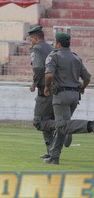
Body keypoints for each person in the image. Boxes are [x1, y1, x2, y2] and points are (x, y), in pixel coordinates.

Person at [43, 33, 92, 165]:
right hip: (75, 95)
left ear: (58, 43)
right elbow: (87, 77)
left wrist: (47, 87)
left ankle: (90, 125)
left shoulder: (54, 56)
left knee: (62, 125)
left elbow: (49, 75)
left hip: (61, 94)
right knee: (62, 126)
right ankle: (54, 157)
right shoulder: (76, 58)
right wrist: (81, 88)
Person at [27, 25, 72, 159]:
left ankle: (65, 128)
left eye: (30, 38)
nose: (30, 41)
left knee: (39, 121)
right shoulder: (50, 47)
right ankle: (51, 151)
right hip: (56, 87)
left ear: (35, 38)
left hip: (45, 89)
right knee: (48, 120)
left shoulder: (36, 49)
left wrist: (35, 82)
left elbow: (39, 67)